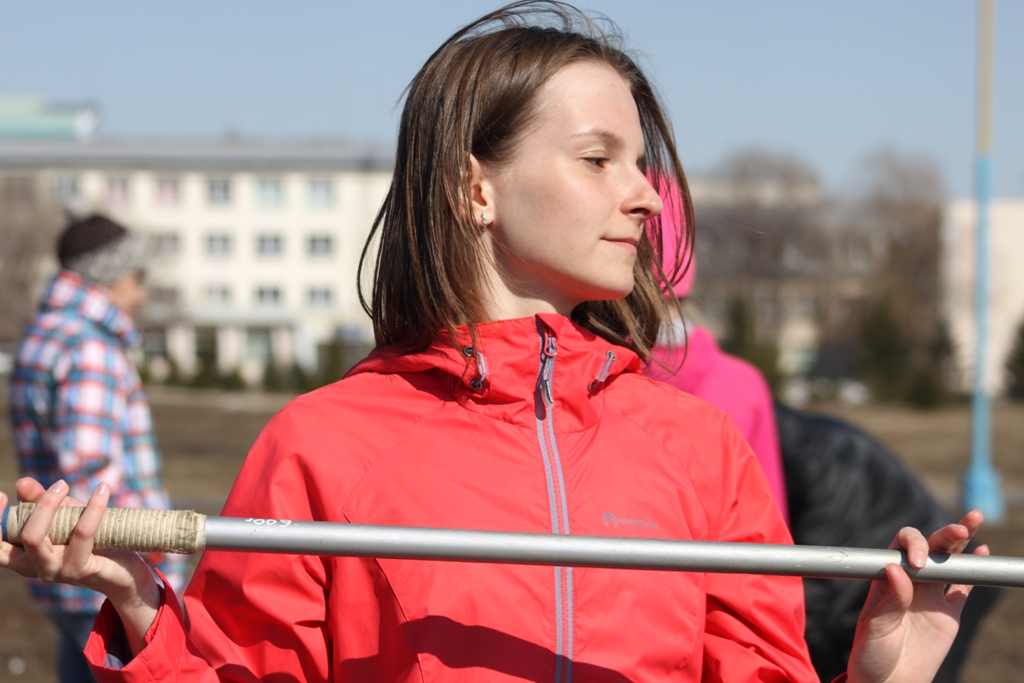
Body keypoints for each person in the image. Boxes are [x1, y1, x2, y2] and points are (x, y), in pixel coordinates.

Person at [0, 3, 987, 681]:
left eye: (640, 164)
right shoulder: (318, 445)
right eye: (598, 159)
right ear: (475, 186)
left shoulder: (701, 448)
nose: (645, 196)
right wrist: (143, 610)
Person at [4, 214, 186, 683]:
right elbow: (91, 475)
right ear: (110, 275)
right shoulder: (90, 349)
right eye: (137, 278)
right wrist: (150, 559)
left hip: (62, 574)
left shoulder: (42, 335)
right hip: (103, 578)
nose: (140, 295)